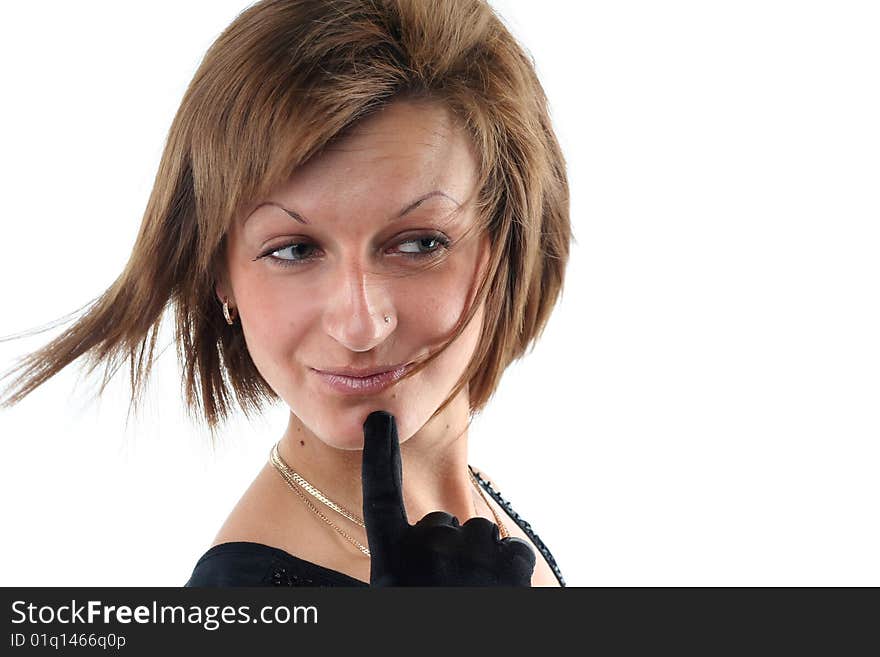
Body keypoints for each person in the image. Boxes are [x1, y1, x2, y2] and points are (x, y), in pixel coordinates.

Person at [0, 0, 571, 587]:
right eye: (294, 250)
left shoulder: (476, 515)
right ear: (219, 273)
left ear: (507, 243)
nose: (359, 325)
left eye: (419, 244)